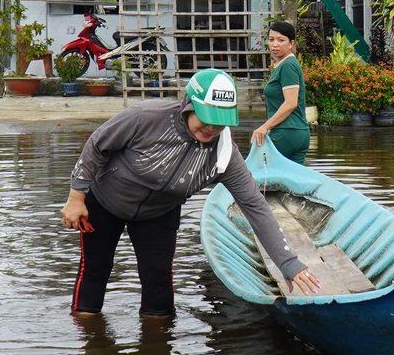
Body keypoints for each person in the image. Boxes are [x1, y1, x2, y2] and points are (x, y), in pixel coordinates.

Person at [62, 68, 322, 317]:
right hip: (105, 201)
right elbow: (97, 145)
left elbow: (255, 206)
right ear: (189, 106)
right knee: (95, 269)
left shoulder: (224, 154)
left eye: (219, 124)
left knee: (158, 281)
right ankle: (85, 343)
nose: (211, 130)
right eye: (206, 120)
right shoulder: (145, 117)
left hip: (159, 212)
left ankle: (157, 346)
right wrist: (76, 197)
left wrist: (288, 263)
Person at [251, 21, 311, 164]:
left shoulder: (288, 65)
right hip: (299, 133)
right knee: (294, 182)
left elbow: (291, 103)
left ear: (291, 44)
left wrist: (265, 127)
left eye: (281, 40)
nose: (274, 44)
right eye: (271, 40)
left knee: (255, 171)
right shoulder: (284, 64)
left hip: (286, 131)